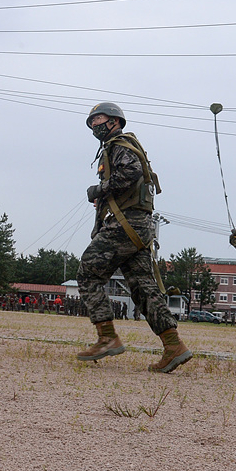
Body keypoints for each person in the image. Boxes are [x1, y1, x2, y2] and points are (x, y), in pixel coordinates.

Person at [75, 102, 192, 373]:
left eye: (99, 119)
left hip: (126, 224)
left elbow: (130, 173)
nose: (95, 124)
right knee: (143, 288)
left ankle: (107, 337)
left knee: (88, 272)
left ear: (115, 121)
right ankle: (174, 346)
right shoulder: (125, 145)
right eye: (91, 121)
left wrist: (100, 189)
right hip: (138, 226)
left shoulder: (120, 145)